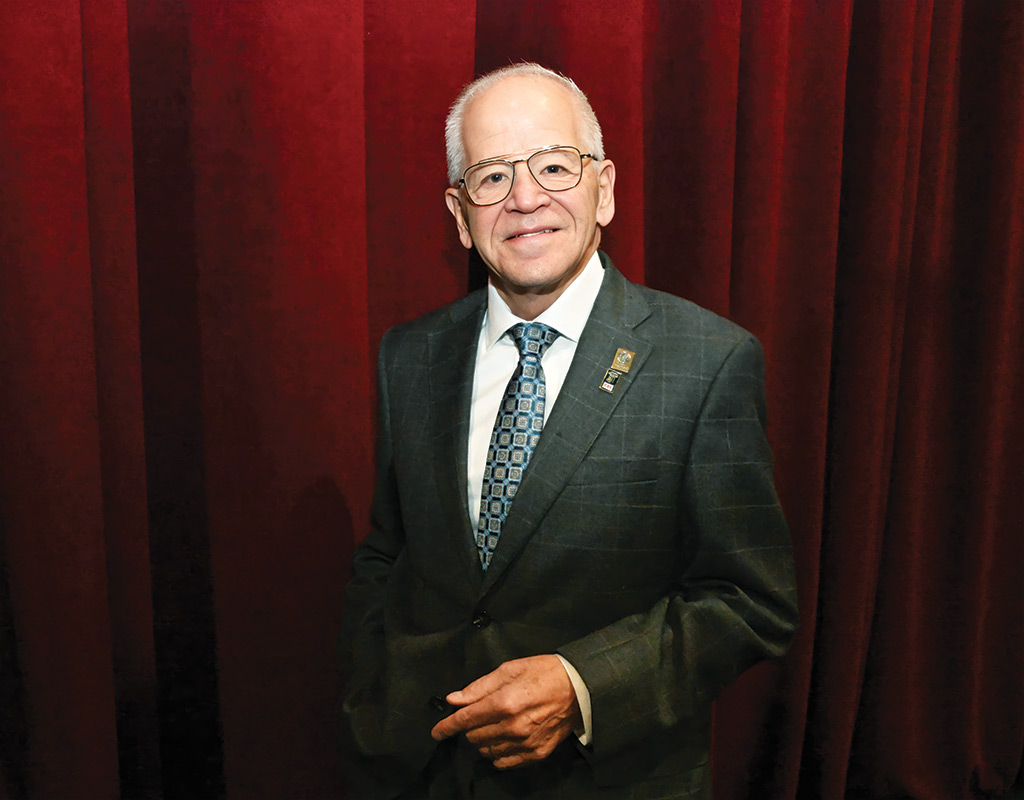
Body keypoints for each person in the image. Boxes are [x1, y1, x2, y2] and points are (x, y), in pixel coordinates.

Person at [338, 62, 798, 800]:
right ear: (459, 213)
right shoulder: (409, 356)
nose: (525, 198)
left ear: (604, 188)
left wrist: (582, 686)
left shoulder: (708, 361)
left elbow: (750, 601)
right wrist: (372, 701)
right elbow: (387, 553)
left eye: (553, 166)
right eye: (492, 176)